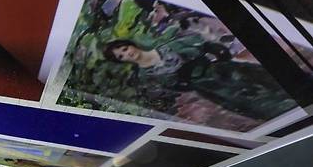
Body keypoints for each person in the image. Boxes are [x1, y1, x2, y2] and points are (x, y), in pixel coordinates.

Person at [102, 36, 296, 123]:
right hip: (212, 89)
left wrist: (219, 60)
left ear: (131, 45)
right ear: (121, 61)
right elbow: (175, 87)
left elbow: (208, 46)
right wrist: (191, 81)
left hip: (224, 71)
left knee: (272, 82)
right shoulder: (145, 76)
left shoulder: (169, 46)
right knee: (258, 105)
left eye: (125, 49)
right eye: (121, 56)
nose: (127, 54)